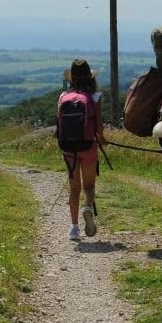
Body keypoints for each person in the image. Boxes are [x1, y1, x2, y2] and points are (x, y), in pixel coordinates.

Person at [58, 58, 107, 241]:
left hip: (69, 148)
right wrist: (102, 140)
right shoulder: (95, 97)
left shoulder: (63, 97)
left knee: (74, 188)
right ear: (90, 77)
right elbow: (99, 126)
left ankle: (74, 228)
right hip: (88, 146)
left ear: (72, 79)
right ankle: (88, 206)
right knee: (89, 185)